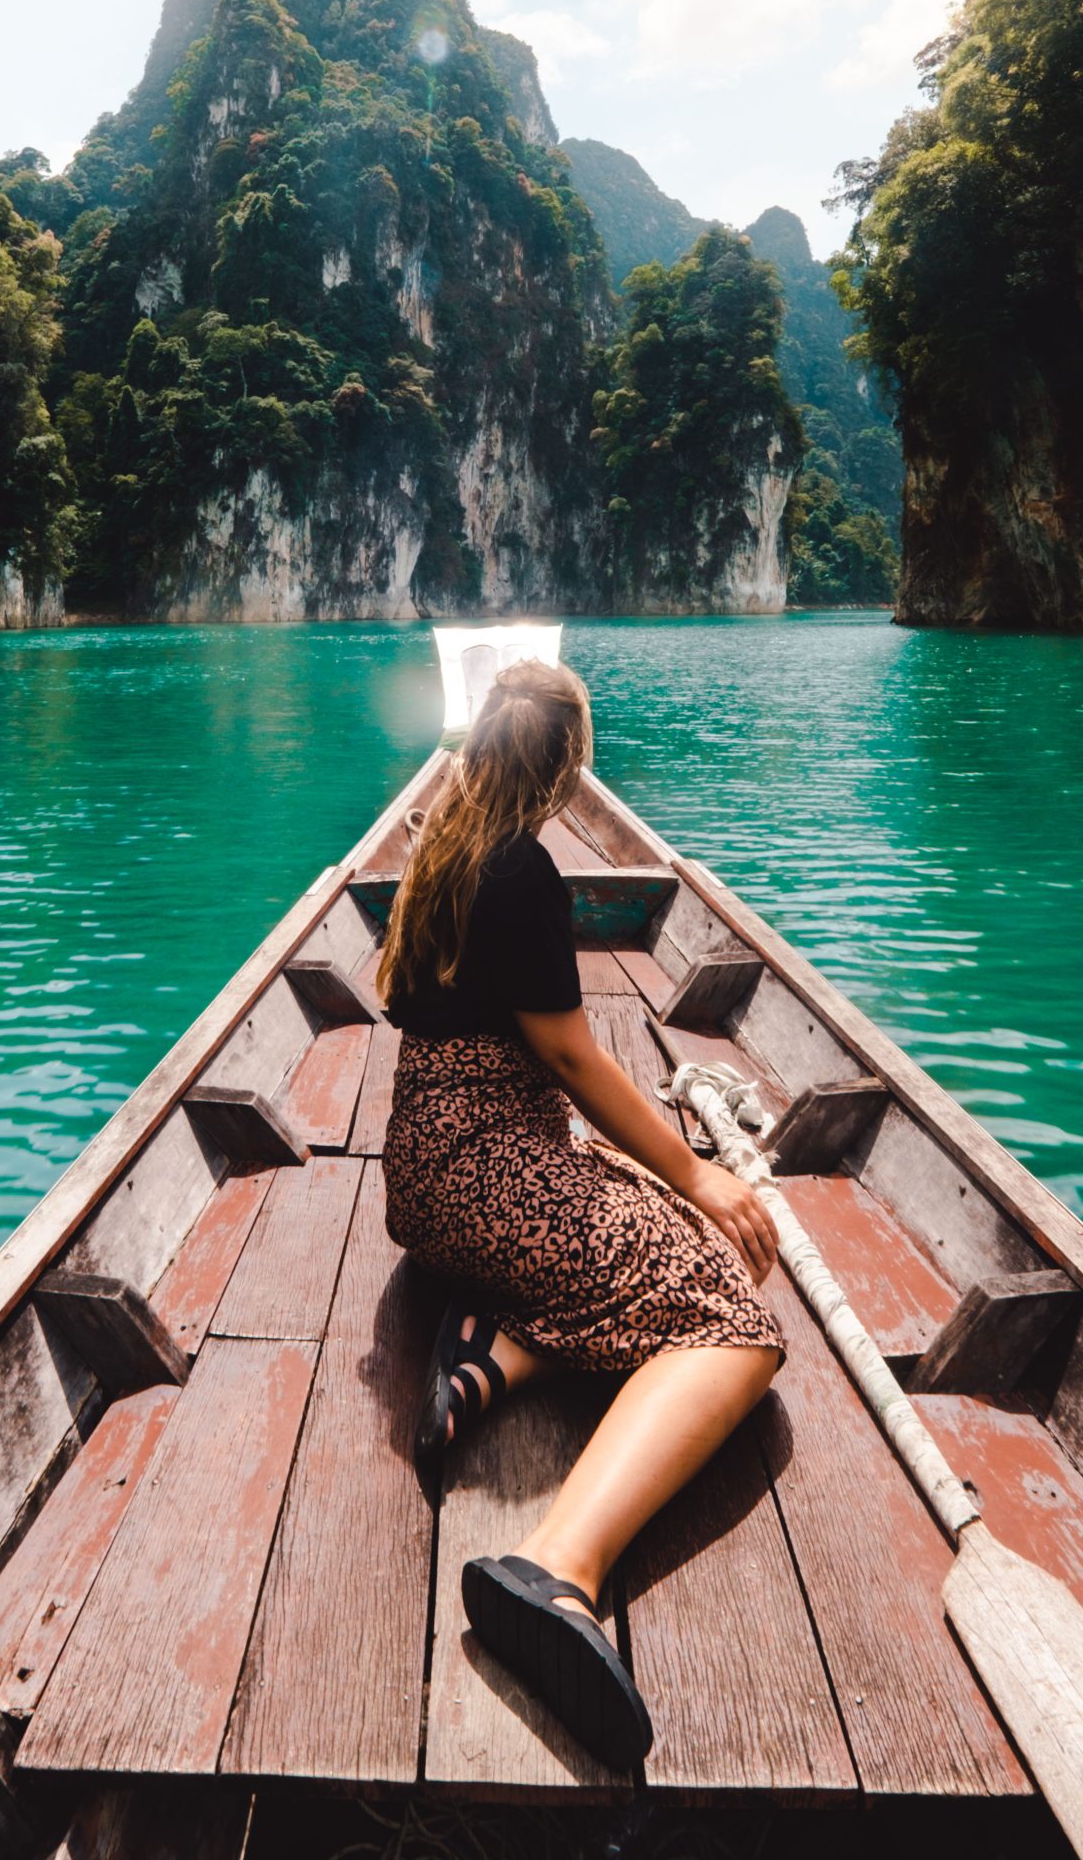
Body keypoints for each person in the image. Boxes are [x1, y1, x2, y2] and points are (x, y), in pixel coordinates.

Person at [379, 659, 784, 1764]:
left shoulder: (446, 844)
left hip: (427, 1168)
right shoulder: (519, 870)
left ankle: (500, 1350)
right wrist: (697, 1174)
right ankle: (554, 1571)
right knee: (727, 1323)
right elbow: (566, 1054)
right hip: (485, 1165)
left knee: (637, 1246)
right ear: (567, 761)